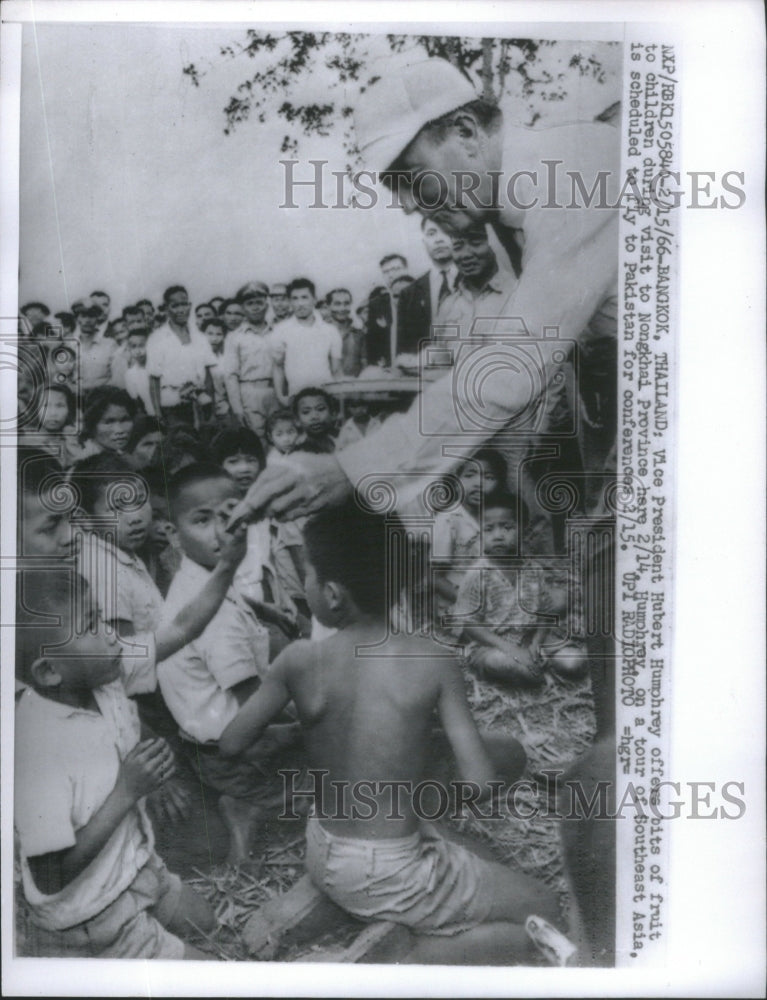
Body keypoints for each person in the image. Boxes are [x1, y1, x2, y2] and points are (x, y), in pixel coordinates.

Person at [220, 502, 565, 964]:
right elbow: (480, 783)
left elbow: (232, 743)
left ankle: (361, 917)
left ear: (333, 595)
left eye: (307, 577)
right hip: (392, 868)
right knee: (545, 910)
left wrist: (305, 732)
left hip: (322, 848)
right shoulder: (432, 659)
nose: (305, 586)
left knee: (446, 858)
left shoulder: (299, 659)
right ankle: (406, 956)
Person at [14, 569, 215, 958]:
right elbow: (49, 875)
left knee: (208, 923)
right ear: (50, 671)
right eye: (91, 626)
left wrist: (226, 566)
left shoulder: (103, 677)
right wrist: (128, 790)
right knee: (206, 973)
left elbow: (185, 627)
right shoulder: (39, 750)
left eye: (101, 617)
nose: (110, 633)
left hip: (137, 866)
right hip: (93, 912)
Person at [158, 464, 300, 864]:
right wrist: (307, 718)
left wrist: (264, 609)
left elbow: (233, 598)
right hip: (229, 753)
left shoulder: (205, 576)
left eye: (230, 515)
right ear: (172, 532)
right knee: (332, 785)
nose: (221, 531)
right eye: (202, 520)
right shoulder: (212, 615)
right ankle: (248, 808)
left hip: (220, 738)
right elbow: (254, 697)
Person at [452, 491, 587, 685]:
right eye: (489, 529)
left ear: (523, 529)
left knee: (576, 663)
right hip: (492, 644)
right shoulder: (477, 574)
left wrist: (536, 643)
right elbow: (470, 625)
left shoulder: (533, 569)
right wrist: (511, 649)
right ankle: (540, 675)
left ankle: (540, 667)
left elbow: (544, 613)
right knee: (498, 662)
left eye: (507, 527)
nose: (498, 536)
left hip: (530, 638)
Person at [146, 286, 216, 427]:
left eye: (184, 304)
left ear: (190, 306)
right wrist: (158, 413)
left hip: (201, 403)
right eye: (175, 306)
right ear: (166, 308)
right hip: (172, 406)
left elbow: (208, 375)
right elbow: (154, 379)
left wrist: (211, 405)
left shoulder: (200, 337)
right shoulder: (157, 338)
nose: (181, 310)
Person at [271, 278, 343, 401]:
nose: (300, 303)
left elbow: (336, 370)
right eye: (295, 298)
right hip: (296, 397)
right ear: (289, 301)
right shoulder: (280, 330)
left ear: (314, 300)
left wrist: (339, 398)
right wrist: (280, 396)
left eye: (304, 297)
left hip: (327, 396)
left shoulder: (330, 331)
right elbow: (278, 367)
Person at [396, 216, 458, 357]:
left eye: (446, 232)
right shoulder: (409, 294)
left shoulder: (473, 282)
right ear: (424, 242)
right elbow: (404, 350)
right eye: (431, 233)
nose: (438, 239)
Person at [222, 282, 276, 438]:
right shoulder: (235, 337)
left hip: (276, 391)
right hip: (250, 393)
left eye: (259, 302)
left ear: (267, 304)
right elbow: (231, 375)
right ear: (243, 308)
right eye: (250, 303)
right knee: (256, 438)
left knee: (280, 435)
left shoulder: (278, 331)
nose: (255, 307)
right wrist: (237, 408)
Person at [365, 253, 408, 366]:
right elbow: (372, 342)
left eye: (395, 269)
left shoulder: (421, 297)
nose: (391, 275)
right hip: (387, 368)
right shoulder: (376, 304)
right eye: (386, 272)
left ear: (406, 270)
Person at [79, 385, 136, 458]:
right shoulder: (84, 463)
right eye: (109, 422)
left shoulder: (124, 457)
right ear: (92, 425)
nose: (119, 430)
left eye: (125, 420)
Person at [75, 297, 115, 392]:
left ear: (97, 318)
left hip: (101, 397)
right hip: (74, 398)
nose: (88, 320)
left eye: (91, 316)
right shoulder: (69, 345)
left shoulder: (110, 345)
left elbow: (116, 377)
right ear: (77, 319)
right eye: (84, 316)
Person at [327, 288, 367, 377]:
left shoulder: (359, 335)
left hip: (353, 387)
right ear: (329, 306)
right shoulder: (319, 333)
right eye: (337, 304)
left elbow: (365, 365)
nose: (342, 308)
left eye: (346, 303)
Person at [293, 387, 338, 455]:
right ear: (297, 420)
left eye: (320, 409)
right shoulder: (295, 453)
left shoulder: (343, 444)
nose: (314, 416)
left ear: (333, 414)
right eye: (306, 412)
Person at [123, 325, 155, 415]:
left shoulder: (161, 368)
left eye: (142, 346)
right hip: (150, 418)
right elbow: (136, 401)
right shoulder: (130, 374)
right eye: (133, 347)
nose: (138, 351)